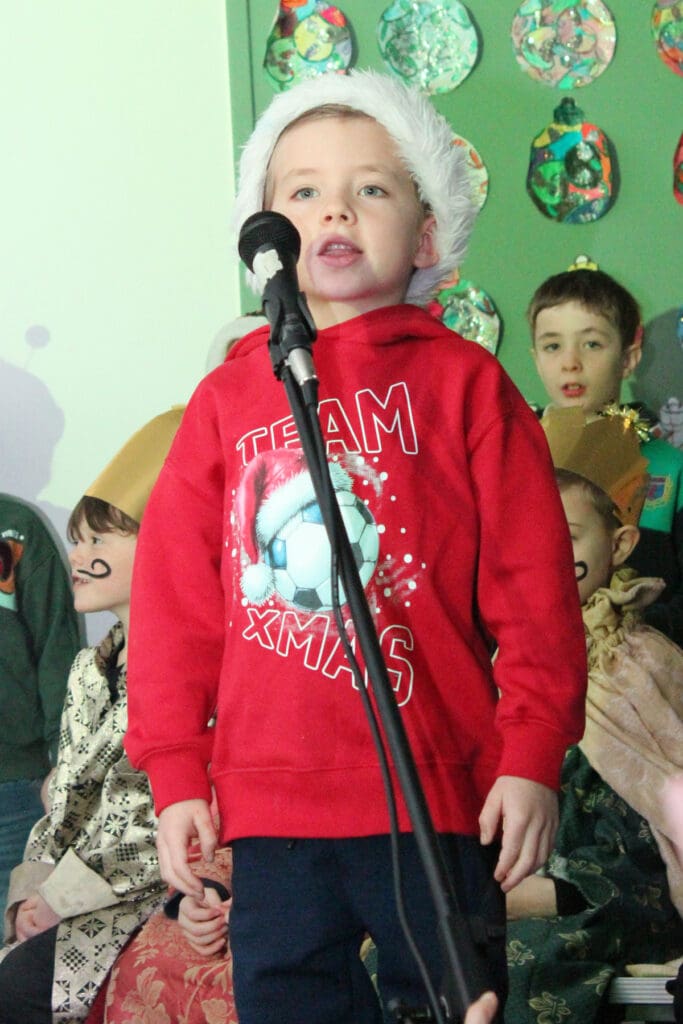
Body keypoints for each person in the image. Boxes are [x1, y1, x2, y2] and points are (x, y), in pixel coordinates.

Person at [125, 69, 587, 1024]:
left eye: (371, 187)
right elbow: (174, 602)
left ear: (427, 235)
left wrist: (531, 752)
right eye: (302, 191)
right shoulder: (224, 401)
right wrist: (174, 769)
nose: (334, 208)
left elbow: (531, 587)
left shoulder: (465, 384)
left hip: (433, 788)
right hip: (272, 807)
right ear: (263, 234)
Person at [0, 407, 184, 1024]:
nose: (77, 556)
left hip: (134, 896)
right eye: (77, 540)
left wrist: (61, 898)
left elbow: (148, 820)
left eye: (97, 541)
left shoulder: (188, 669)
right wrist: (32, 894)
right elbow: (66, 803)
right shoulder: (90, 670)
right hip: (66, 892)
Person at [504, 405, 683, 1023]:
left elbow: (659, 810)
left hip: (615, 894)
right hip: (499, 885)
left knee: (522, 969)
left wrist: (546, 892)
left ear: (620, 544)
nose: (543, 553)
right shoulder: (496, 657)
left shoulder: (642, 660)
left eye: (568, 536)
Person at [529, 263, 683, 645]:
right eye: (553, 345)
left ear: (629, 357)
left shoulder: (669, 466)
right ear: (535, 357)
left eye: (592, 343)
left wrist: (636, 633)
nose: (570, 362)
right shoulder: (512, 459)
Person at [0, 492, 81, 921]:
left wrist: (64, 763)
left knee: (15, 940)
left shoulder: (14, 528)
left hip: (12, 788)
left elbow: (58, 652)